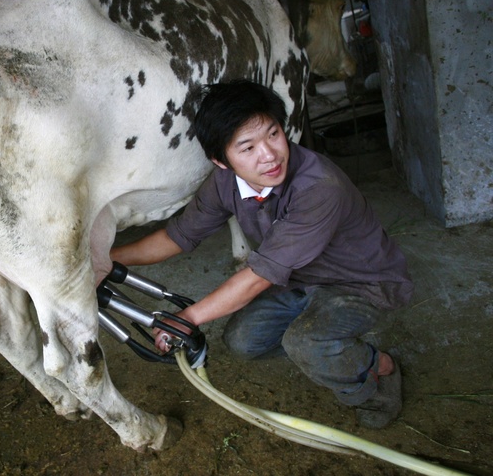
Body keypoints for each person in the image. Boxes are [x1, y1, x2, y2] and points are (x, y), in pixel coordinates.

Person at [110, 80, 413, 428]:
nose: (269, 155)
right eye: (248, 147)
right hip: (298, 281)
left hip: (360, 284)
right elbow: (177, 236)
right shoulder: (225, 182)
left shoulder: (318, 188)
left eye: (273, 134)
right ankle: (331, 352)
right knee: (242, 341)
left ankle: (377, 370)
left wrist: (188, 317)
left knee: (305, 342)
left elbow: (259, 277)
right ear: (220, 160)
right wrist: (107, 258)